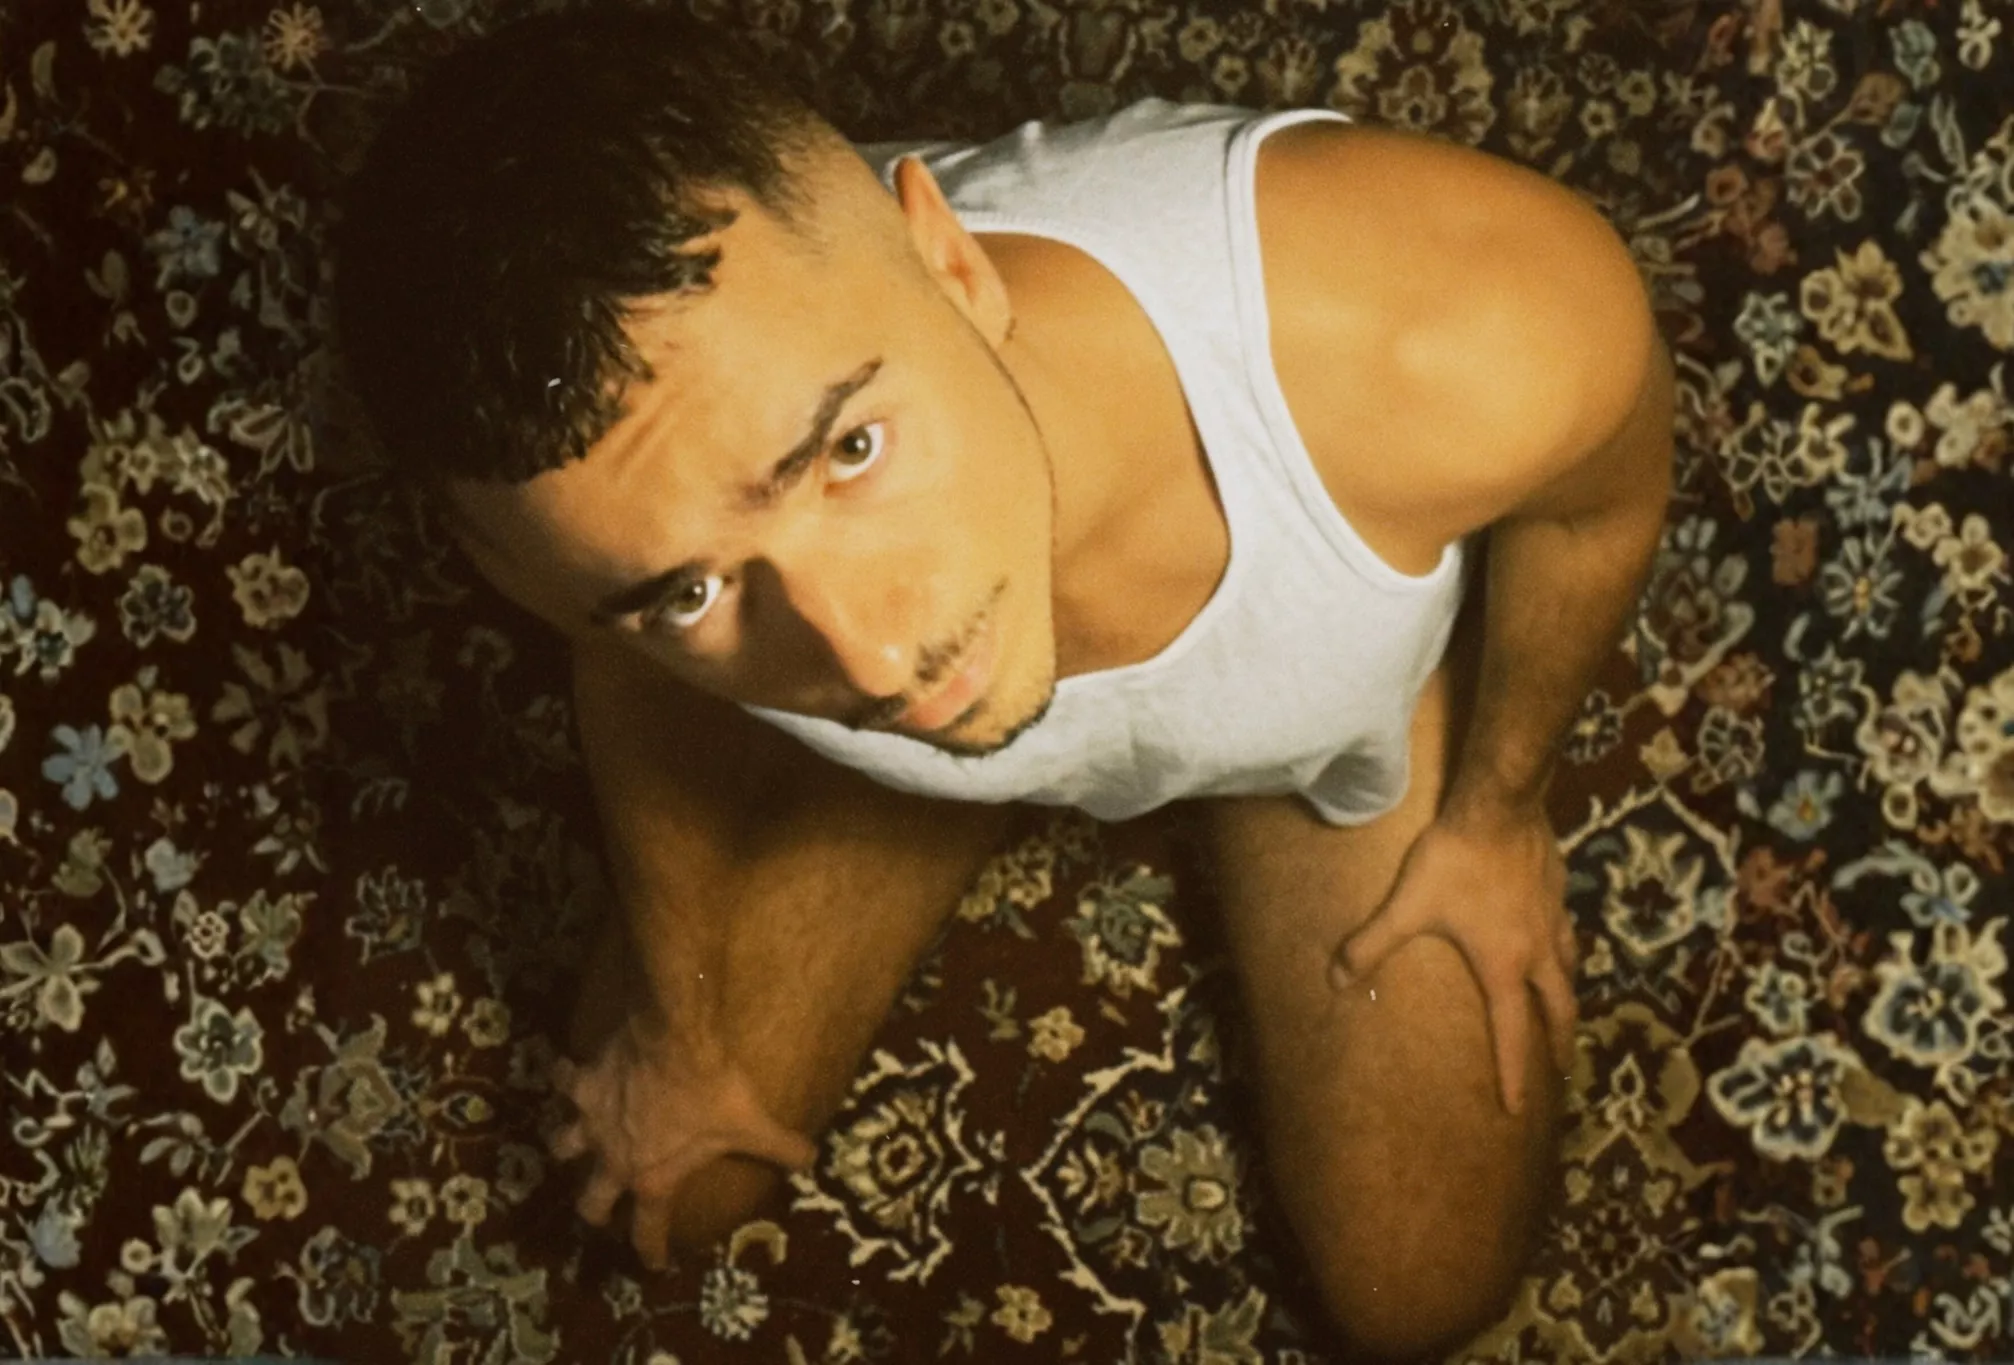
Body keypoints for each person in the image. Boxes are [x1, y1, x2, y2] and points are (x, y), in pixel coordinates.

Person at [331, 6, 1672, 1358]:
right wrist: (682, 1018)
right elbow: (624, 674)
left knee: (1421, 1289)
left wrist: (1496, 811)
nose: (871, 662)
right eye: (689, 594)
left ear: (952, 264)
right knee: (679, 1194)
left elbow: (1594, 508)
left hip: (1328, 726)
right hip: (886, 724)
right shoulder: (617, 527)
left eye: (849, 451)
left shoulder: (1453, 334)